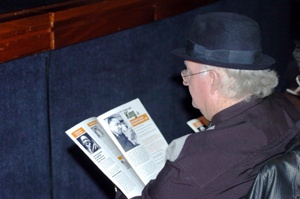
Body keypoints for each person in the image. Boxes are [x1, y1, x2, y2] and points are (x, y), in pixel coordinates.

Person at [115, 12, 300, 198]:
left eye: (188, 72)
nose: (185, 81)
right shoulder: (284, 107)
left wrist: (121, 186)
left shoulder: (191, 171)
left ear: (212, 79)